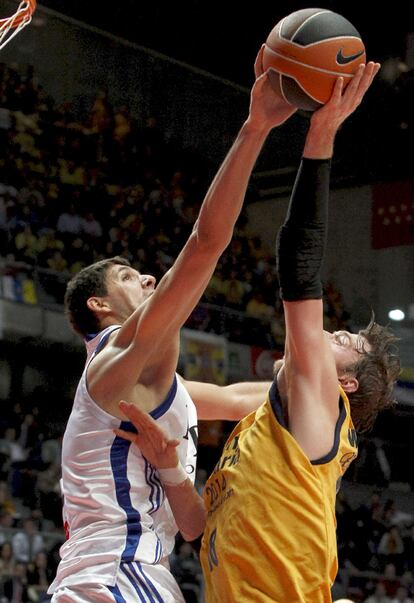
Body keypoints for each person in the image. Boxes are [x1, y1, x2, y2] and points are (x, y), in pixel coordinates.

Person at [118, 60, 401, 602]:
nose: (327, 336)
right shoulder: (272, 413)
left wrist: (320, 137)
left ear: (343, 385)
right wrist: (110, 367)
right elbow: (182, 400)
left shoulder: (320, 403)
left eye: (342, 343)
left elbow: (299, 262)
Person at [48, 50, 297, 602]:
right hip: (115, 575)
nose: (149, 277)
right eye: (131, 276)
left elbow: (240, 400)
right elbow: (208, 242)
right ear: (99, 306)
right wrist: (255, 128)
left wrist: (335, 379)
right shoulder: (118, 360)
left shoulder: (159, 384)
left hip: (126, 574)